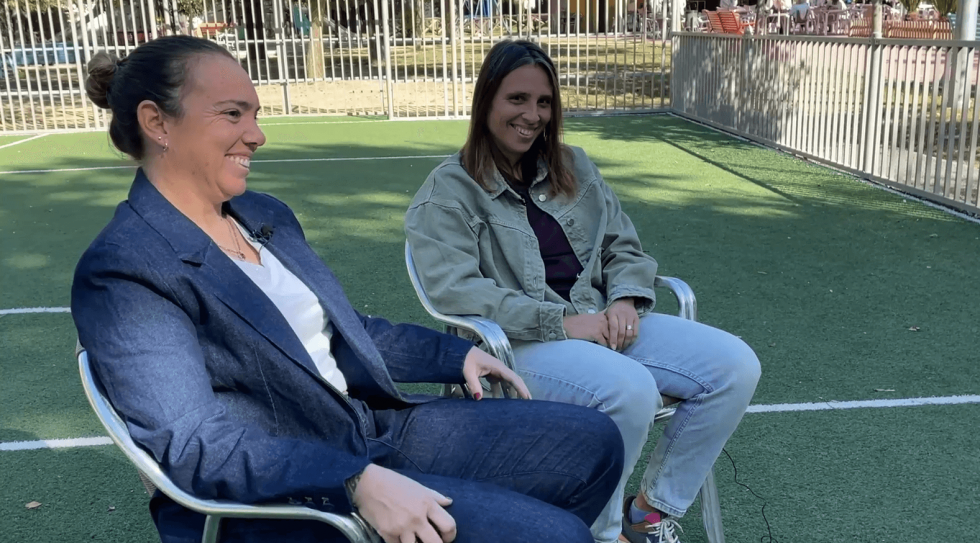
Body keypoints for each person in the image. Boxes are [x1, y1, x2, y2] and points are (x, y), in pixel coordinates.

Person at [72, 35, 625, 543]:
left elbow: (343, 327)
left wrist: (457, 356)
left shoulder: (262, 213)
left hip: (365, 431)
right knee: (554, 536)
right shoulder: (125, 269)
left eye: (255, 114)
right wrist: (354, 481)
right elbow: (195, 444)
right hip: (291, 494)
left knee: (596, 443)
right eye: (231, 114)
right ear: (157, 122)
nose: (257, 135)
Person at [404, 40, 761, 543]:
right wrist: (563, 324)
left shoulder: (577, 168)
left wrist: (623, 300)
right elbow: (456, 292)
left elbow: (625, 248)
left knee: (734, 366)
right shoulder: (448, 191)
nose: (532, 116)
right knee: (629, 391)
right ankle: (597, 532)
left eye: (544, 102)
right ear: (486, 101)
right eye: (517, 100)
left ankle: (648, 515)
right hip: (514, 345)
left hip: (599, 321)